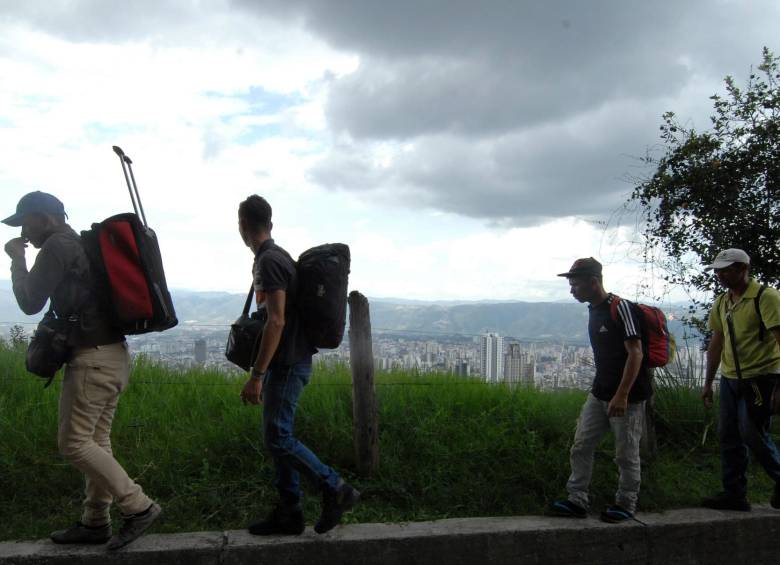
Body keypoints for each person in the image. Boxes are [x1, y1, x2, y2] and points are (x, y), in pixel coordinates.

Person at [3, 191, 161, 550]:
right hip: (113, 355)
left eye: (26, 222)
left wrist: (16, 260)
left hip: (91, 360)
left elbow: (29, 301)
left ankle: (138, 506)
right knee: (96, 441)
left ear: (46, 217)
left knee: (73, 444)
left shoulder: (58, 246)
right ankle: (94, 522)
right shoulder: (83, 245)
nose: (24, 232)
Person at [237, 195, 359, 535]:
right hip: (289, 361)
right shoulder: (275, 258)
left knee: (277, 438)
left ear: (243, 226)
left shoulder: (270, 262)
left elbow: (276, 322)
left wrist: (256, 375)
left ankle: (336, 488)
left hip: (288, 363)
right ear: (270, 224)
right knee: (279, 436)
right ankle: (289, 513)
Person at [549, 257, 649, 523]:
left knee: (626, 453)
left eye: (576, 284)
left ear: (593, 282)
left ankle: (626, 503)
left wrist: (622, 394)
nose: (572, 290)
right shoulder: (593, 309)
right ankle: (577, 499)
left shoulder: (622, 308)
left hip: (628, 396)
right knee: (581, 445)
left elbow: (636, 353)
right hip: (599, 392)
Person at [700, 248, 780, 511]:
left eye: (726, 270)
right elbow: (716, 343)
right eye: (718, 271)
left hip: (761, 378)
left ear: (743, 268)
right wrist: (708, 381)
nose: (721, 275)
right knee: (728, 436)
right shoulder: (723, 302)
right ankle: (734, 493)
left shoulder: (765, 298)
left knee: (752, 433)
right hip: (730, 378)